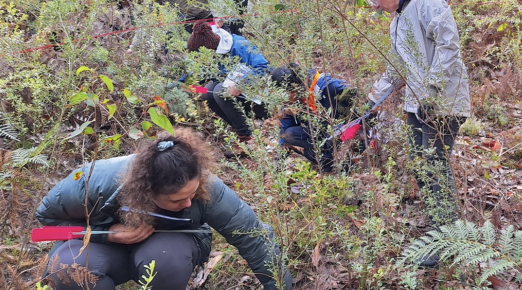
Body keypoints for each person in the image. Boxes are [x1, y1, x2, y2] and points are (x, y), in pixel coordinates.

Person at [36, 128, 292, 290]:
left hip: (172, 243)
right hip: (104, 246)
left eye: (192, 194)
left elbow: (255, 239)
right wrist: (106, 233)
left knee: (165, 259)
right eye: (177, 201)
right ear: (147, 191)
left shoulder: (207, 186)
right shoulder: (93, 182)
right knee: (67, 268)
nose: (188, 203)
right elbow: (43, 231)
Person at [360, 0, 470, 260]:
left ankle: (447, 243)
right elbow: (396, 68)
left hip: (443, 102)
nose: (374, 6)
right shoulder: (396, 21)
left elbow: (450, 46)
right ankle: (440, 228)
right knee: (421, 166)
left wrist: (433, 91)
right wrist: (369, 99)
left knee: (434, 167)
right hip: (417, 104)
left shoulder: (425, 1)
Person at [188, 21, 270, 156]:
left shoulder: (240, 45)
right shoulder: (214, 54)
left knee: (220, 91)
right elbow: (211, 79)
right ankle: (241, 131)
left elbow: (265, 68)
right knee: (207, 92)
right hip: (239, 100)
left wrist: (242, 84)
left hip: (261, 101)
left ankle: (249, 139)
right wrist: (192, 88)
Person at [271, 63, 357, 173]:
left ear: (293, 87)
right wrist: (278, 163)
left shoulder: (328, 86)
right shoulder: (291, 101)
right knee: (289, 135)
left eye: (282, 94)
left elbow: (358, 105)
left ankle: (345, 163)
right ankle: (327, 163)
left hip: (342, 132)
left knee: (334, 136)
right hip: (321, 134)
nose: (281, 99)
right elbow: (284, 133)